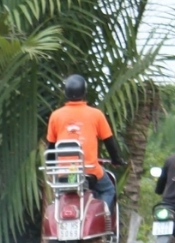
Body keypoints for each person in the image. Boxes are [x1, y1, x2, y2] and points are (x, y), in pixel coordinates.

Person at [46, 74, 126, 215]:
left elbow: (51, 148)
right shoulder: (95, 114)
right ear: (84, 92)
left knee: (62, 194)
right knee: (108, 189)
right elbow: (109, 142)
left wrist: (53, 168)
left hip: (66, 174)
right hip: (89, 172)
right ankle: (102, 217)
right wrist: (116, 160)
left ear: (66, 92)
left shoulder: (56, 116)